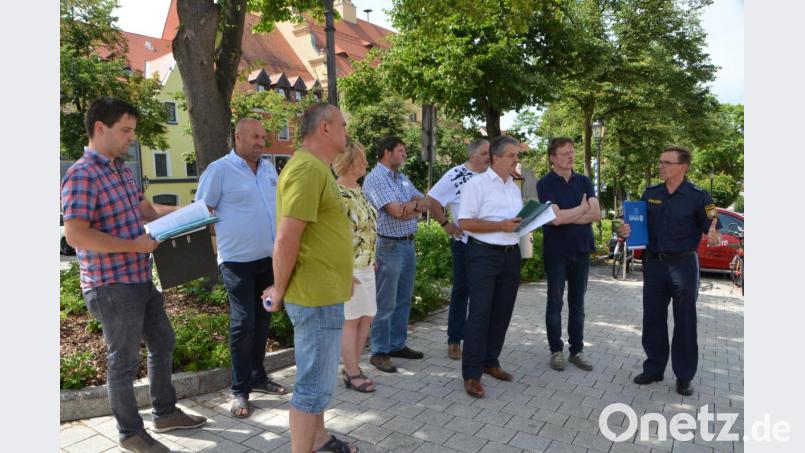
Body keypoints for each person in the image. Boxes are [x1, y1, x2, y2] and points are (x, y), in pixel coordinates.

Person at [61, 97, 206, 453]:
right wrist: (133, 246)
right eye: (125, 130)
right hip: (111, 285)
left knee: (163, 342)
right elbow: (75, 234)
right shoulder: (81, 174)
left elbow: (148, 210)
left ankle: (165, 412)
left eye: (133, 131)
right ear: (100, 128)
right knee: (123, 362)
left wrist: (193, 211)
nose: (131, 138)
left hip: (140, 278)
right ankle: (130, 434)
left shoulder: (121, 170)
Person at [261, 103, 358, 453]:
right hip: (314, 297)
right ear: (326, 128)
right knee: (312, 386)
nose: (347, 132)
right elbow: (287, 238)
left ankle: (318, 439)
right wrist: (279, 287)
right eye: (343, 125)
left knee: (317, 381)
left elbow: (318, 237)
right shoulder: (308, 171)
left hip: (323, 291)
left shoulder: (316, 169)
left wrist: (342, 275)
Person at [195, 118, 288, 419]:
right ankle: (239, 389)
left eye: (264, 136)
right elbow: (202, 210)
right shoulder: (219, 170)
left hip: (268, 259)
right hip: (236, 261)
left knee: (263, 319)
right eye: (256, 137)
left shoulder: (269, 169)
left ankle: (258, 376)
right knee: (243, 322)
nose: (262, 142)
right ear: (238, 136)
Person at [620, 146, 721, 396]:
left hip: (684, 264)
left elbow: (712, 221)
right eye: (660, 161)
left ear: (683, 167)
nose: (660, 166)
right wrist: (625, 232)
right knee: (652, 318)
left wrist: (714, 232)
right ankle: (654, 368)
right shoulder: (651, 193)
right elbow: (634, 225)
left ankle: (684, 375)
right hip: (654, 264)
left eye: (666, 162)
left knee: (685, 320)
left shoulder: (700, 195)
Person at [457, 135, 524, 398]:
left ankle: (490, 362)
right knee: (480, 314)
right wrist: (500, 226)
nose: (516, 160)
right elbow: (464, 222)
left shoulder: (513, 187)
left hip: (510, 254)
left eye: (517, 156)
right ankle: (471, 374)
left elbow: (514, 222)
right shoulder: (477, 185)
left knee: (502, 312)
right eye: (512, 156)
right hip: (483, 255)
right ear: (496, 158)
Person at [363, 136, 430, 373]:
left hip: (408, 244)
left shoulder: (401, 178)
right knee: (385, 302)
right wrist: (412, 208)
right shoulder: (376, 178)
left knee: (403, 298)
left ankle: (397, 344)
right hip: (389, 247)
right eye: (400, 150)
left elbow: (425, 202)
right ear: (386, 152)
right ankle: (379, 351)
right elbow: (395, 212)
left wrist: (411, 208)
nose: (404, 154)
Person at [537, 138, 599, 372]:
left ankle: (577, 351)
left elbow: (596, 214)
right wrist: (582, 209)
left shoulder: (584, 181)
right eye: (564, 153)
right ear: (553, 157)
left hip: (581, 249)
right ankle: (556, 350)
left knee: (578, 304)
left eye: (572, 152)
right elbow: (554, 219)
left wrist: (569, 215)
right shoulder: (545, 184)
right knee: (555, 302)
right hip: (556, 252)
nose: (570, 157)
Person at [426, 139, 490, 360]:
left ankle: (479, 339)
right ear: (472, 155)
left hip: (489, 244)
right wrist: (446, 224)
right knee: (462, 292)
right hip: (465, 243)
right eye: (484, 153)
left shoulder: (490, 175)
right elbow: (432, 198)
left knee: (484, 293)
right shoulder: (456, 175)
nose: (488, 157)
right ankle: (454, 340)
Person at [333, 141, 378, 393]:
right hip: (349, 267)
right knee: (351, 320)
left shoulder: (359, 191)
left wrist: (373, 257)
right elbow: (335, 237)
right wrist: (343, 272)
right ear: (350, 163)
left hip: (367, 264)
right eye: (362, 160)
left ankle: (353, 365)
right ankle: (351, 372)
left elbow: (368, 227)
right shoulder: (338, 194)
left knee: (367, 316)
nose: (366, 163)